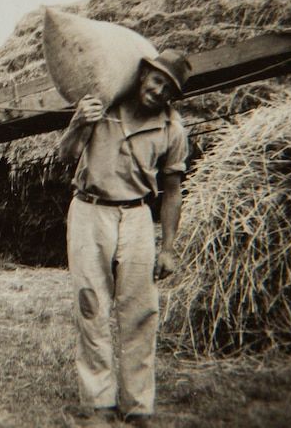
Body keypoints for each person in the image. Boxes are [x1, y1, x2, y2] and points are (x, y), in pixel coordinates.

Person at [57, 49, 192, 428]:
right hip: (89, 211)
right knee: (91, 306)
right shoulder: (104, 107)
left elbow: (173, 189)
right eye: (156, 80)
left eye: (168, 88)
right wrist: (78, 124)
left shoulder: (172, 129)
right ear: (143, 75)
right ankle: (100, 403)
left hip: (135, 217)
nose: (158, 91)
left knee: (140, 312)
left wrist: (169, 248)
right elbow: (65, 157)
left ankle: (138, 407)